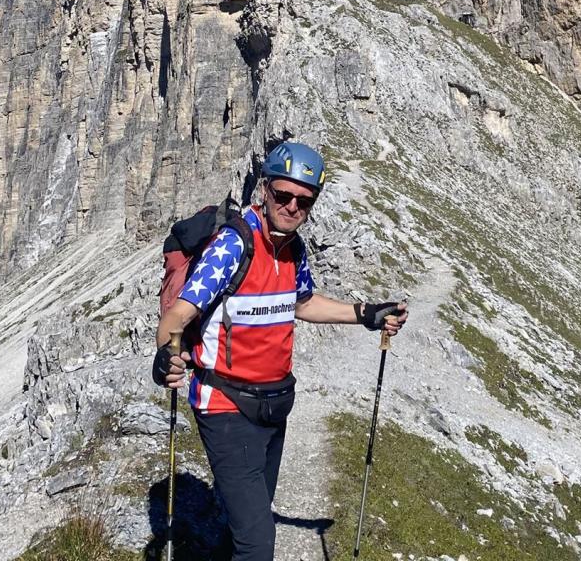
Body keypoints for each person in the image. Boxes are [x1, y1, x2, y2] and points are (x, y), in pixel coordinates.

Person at [153, 140, 408, 561]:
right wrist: (165, 357)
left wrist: (365, 313)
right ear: (265, 189)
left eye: (303, 201)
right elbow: (176, 318)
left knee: (249, 525)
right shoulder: (234, 245)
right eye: (283, 195)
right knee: (258, 544)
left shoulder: (293, 249)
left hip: (273, 406)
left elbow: (303, 302)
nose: (291, 207)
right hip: (225, 406)